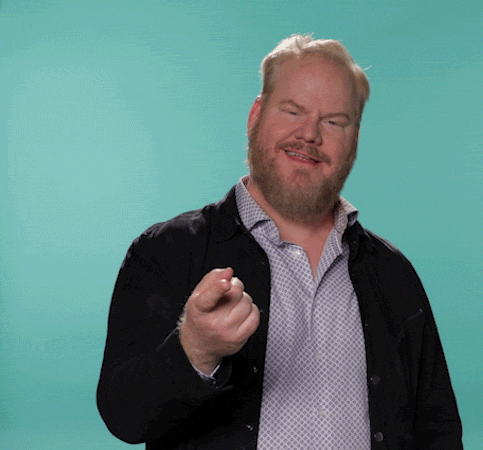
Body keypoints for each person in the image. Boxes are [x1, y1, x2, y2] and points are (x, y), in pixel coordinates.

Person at [97, 34, 463, 450]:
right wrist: (195, 349)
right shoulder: (167, 251)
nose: (309, 134)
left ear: (354, 140)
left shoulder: (394, 274)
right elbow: (124, 417)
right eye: (293, 111)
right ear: (255, 115)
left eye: (334, 122)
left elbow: (438, 430)